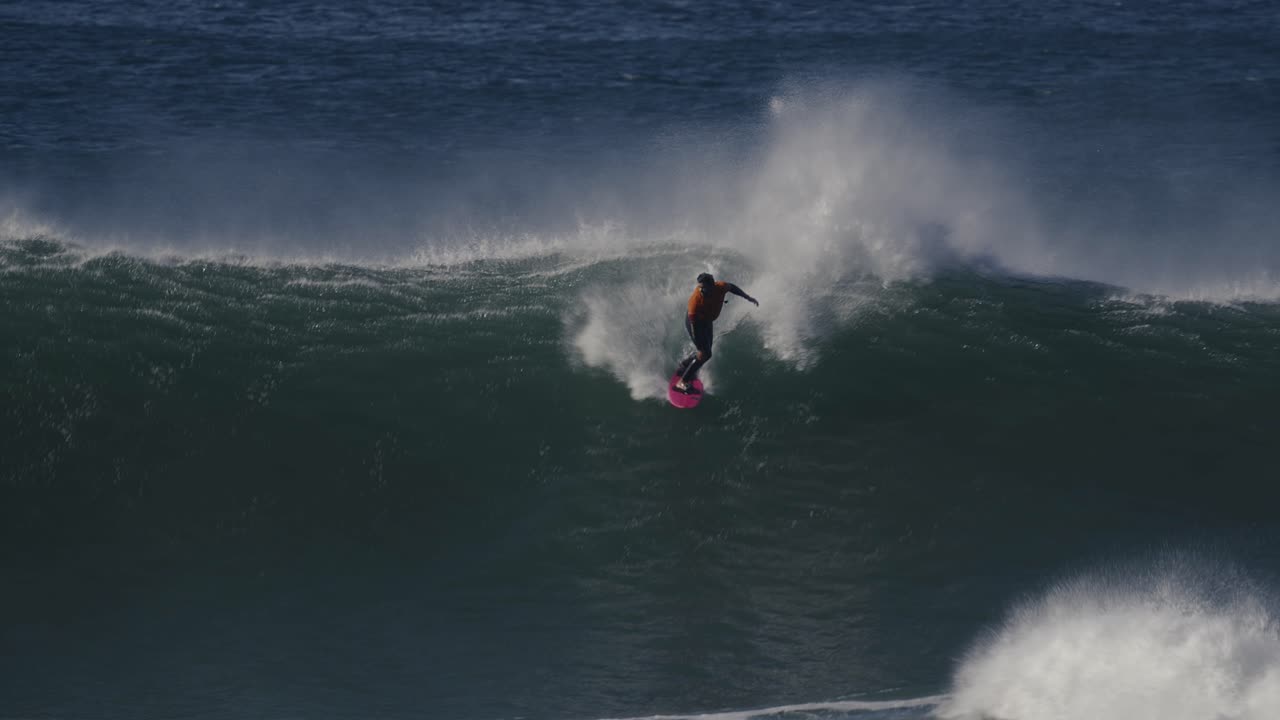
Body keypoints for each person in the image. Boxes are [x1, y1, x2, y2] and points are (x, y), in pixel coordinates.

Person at [674, 272, 758, 393]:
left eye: (704, 287)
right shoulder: (695, 301)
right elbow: (693, 325)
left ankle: (685, 364)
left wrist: (748, 297)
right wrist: (699, 344)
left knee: (706, 350)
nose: (702, 290)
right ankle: (682, 382)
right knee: (705, 354)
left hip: (707, 321)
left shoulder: (720, 287)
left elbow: (732, 287)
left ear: (712, 285)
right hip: (695, 324)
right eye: (700, 287)